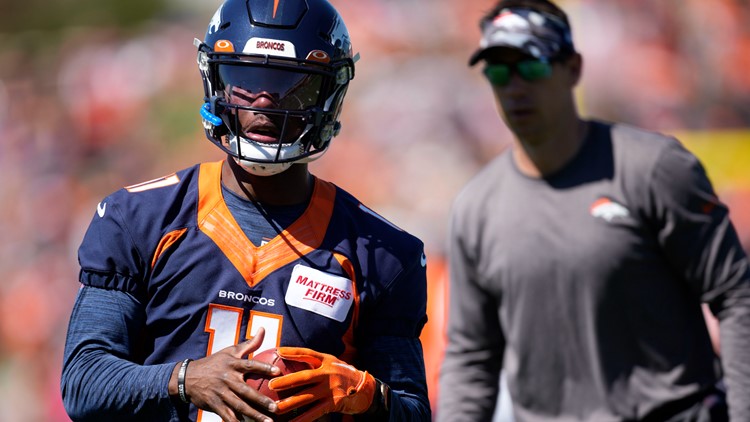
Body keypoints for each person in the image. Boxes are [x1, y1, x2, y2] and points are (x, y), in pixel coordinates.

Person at [60, 0, 431, 421]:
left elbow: (413, 410)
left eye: (291, 82)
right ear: (216, 81)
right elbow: (84, 382)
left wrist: (367, 395)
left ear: (328, 94)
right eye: (245, 77)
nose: (264, 100)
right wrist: (185, 379)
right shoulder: (139, 219)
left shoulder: (382, 253)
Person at [437, 0, 750, 421]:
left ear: (573, 68)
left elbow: (735, 296)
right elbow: (471, 359)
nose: (514, 85)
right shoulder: (476, 208)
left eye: (531, 66)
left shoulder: (653, 169)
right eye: (498, 71)